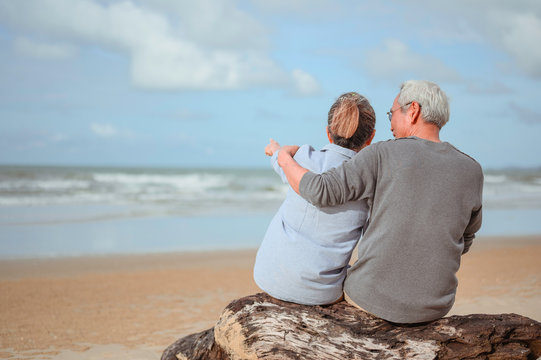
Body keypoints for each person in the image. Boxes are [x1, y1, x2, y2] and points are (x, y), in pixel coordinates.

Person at [276, 80, 483, 323]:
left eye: (392, 113)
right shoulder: (472, 169)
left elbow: (321, 191)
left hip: (371, 299)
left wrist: (284, 159)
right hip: (436, 306)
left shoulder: (382, 154)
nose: (391, 123)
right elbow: (465, 240)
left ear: (413, 110)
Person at [253, 92, 376, 305]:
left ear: (328, 133)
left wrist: (276, 149)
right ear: (370, 138)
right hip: (320, 293)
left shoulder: (301, 159)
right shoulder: (370, 183)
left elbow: (280, 161)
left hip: (269, 276)